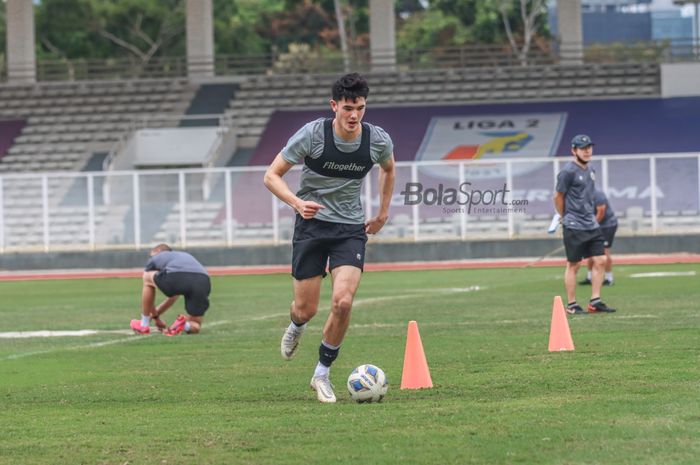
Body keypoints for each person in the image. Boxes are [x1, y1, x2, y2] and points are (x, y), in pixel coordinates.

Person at [263, 73, 396, 403]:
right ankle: (296, 325)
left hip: (349, 229)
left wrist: (382, 213)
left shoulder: (377, 140)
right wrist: (296, 202)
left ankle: (321, 374)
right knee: (306, 309)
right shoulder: (313, 135)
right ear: (334, 106)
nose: (354, 116)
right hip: (311, 227)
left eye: (361, 108)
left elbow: (389, 168)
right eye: (348, 108)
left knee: (343, 301)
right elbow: (271, 175)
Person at [553, 134, 616, 315]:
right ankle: (572, 304)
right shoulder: (567, 172)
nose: (587, 150)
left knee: (601, 259)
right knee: (574, 264)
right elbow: (558, 196)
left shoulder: (591, 169)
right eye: (582, 148)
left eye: (589, 147)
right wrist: (564, 215)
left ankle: (595, 301)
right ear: (574, 151)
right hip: (574, 224)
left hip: (591, 223)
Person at [130, 243, 211, 336]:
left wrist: (156, 318)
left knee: (147, 277)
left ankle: (143, 325)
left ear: (158, 251)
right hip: (203, 280)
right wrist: (156, 318)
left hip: (177, 276)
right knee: (195, 324)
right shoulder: (182, 256)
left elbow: (149, 284)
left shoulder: (159, 256)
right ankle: (185, 325)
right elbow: (173, 296)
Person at [579, 189, 618, 286]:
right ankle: (590, 277)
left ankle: (609, 278)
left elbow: (601, 211)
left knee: (604, 251)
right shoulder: (580, 194)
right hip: (594, 225)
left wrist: (591, 226)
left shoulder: (597, 193)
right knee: (590, 250)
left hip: (607, 226)